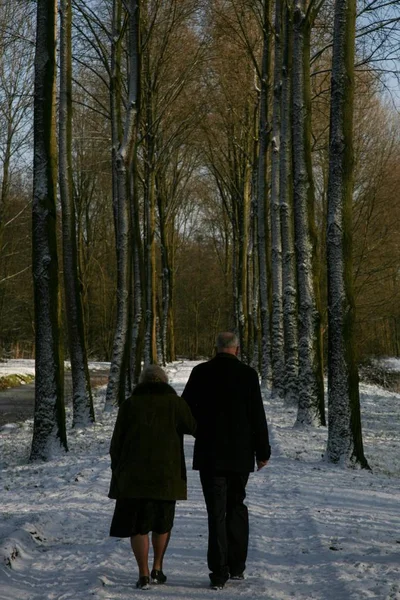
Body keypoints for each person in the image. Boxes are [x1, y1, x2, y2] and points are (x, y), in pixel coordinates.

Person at [182, 331, 271, 590]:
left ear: (216, 348)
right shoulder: (248, 375)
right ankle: (237, 566)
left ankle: (218, 572)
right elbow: (257, 415)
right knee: (236, 506)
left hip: (210, 452)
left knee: (216, 512)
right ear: (237, 349)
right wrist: (262, 451)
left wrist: (200, 429)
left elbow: (185, 409)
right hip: (240, 454)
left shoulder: (200, 372)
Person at [108, 365, 196, 590]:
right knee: (162, 522)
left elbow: (116, 442)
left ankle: (143, 574)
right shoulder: (175, 404)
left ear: (142, 382)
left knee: (138, 526)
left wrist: (117, 469)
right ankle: (158, 567)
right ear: (164, 382)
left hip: (134, 476)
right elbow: (194, 427)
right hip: (167, 475)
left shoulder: (129, 405)